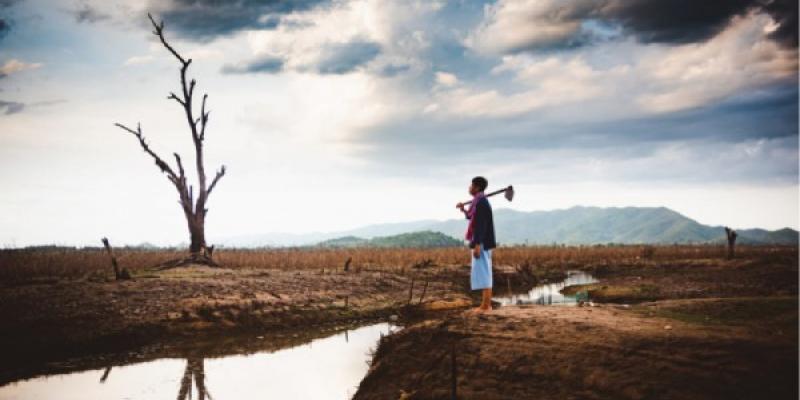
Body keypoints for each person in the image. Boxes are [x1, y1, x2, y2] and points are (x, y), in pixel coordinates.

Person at [456, 176, 496, 313]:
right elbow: (471, 217)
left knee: (484, 272)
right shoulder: (477, 201)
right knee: (483, 271)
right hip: (481, 241)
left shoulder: (481, 203)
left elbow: (480, 225)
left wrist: (477, 244)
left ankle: (486, 306)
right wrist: (463, 209)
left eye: (471, 185)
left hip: (482, 242)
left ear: (477, 187)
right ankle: (485, 305)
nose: (469, 187)